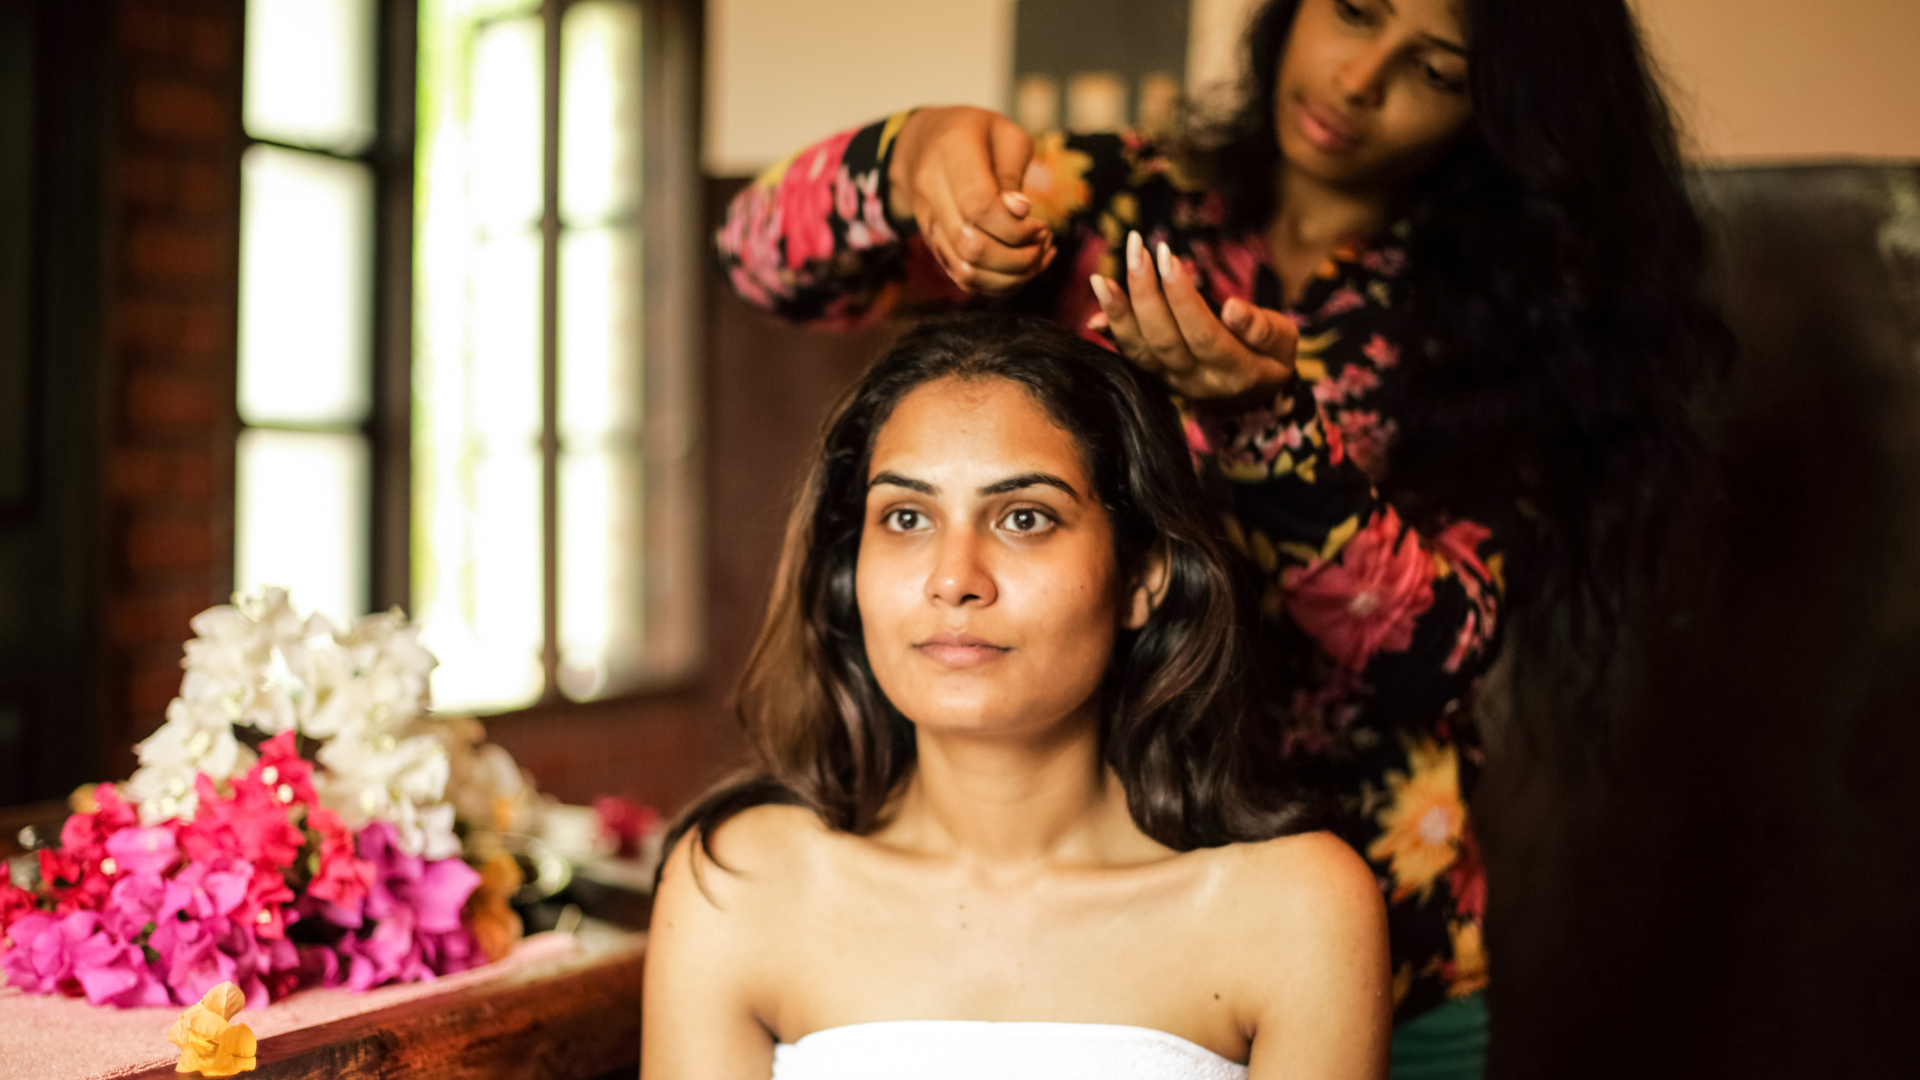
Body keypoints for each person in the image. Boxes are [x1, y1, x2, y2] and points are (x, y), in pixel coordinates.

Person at [714, 0, 1734, 1074]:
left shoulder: (1514, 321)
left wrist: (1264, 421)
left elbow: (1436, 654)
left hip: (1375, 932)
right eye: (1353, 13)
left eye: (1433, 69)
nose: (1358, 81)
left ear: (1504, 107)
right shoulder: (1112, 200)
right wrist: (910, 157)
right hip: (1048, 908)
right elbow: (758, 263)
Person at [642, 316, 1391, 1080]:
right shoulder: (740, 883)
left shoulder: (1295, 909)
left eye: (1024, 518)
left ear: (1142, 578)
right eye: (906, 517)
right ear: (849, 570)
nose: (954, 579)